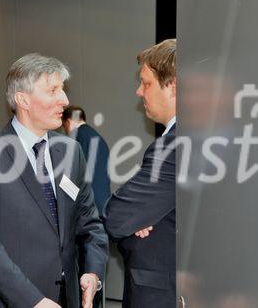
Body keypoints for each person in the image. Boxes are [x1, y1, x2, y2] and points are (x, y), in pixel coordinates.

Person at [0, 53, 108, 308]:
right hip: (10, 301)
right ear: (23, 99)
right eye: (53, 90)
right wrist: (33, 300)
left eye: (62, 90)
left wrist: (93, 272)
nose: (64, 99)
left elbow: (91, 224)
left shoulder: (71, 152)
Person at [103, 39, 177, 307]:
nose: (138, 92)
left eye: (146, 83)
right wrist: (140, 218)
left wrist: (135, 222)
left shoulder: (175, 146)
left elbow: (115, 217)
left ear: (173, 86)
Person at [62, 106, 111, 308]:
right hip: (101, 212)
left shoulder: (75, 139)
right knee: (93, 271)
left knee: (82, 275)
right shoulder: (99, 139)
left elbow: (71, 180)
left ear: (67, 121)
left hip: (83, 213)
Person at [62, 106, 111, 214]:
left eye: (64, 126)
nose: (65, 131)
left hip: (89, 204)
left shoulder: (78, 137)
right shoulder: (94, 135)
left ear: (68, 121)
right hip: (102, 200)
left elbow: (74, 173)